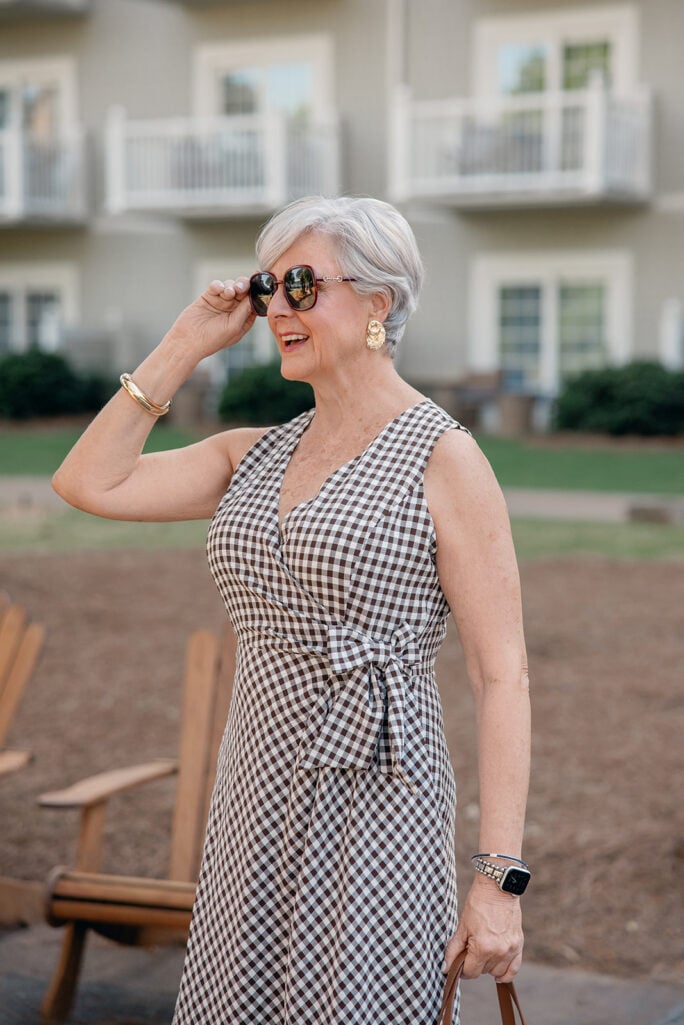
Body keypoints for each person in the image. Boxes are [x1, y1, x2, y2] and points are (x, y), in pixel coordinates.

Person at [53, 195, 531, 1025]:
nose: (276, 306)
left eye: (302, 285)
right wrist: (187, 343)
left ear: (379, 301)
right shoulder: (254, 451)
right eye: (269, 284)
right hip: (255, 790)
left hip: (378, 797)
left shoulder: (445, 457)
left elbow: (503, 675)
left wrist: (498, 882)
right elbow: (89, 482)